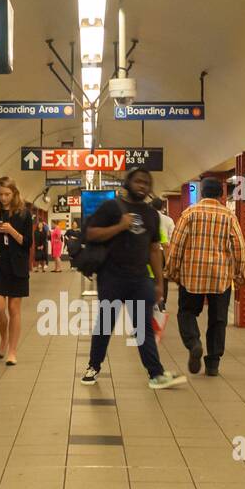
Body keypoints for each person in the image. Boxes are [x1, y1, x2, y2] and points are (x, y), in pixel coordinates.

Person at [80, 167, 186, 390]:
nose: (142, 186)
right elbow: (90, 233)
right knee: (106, 323)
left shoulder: (150, 214)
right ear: (128, 183)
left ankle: (155, 374)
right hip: (111, 277)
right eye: (138, 181)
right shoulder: (111, 207)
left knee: (143, 327)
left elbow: (154, 249)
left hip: (139, 279)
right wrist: (120, 226)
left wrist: (159, 281)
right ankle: (93, 366)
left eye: (146, 183)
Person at [166, 176, 245, 377]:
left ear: (202, 193)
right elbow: (239, 247)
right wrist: (241, 275)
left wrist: (172, 271)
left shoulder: (189, 214)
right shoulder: (229, 216)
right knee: (218, 319)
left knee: (186, 312)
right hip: (220, 276)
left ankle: (194, 343)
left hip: (192, 274)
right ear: (222, 194)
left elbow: (177, 245)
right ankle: (213, 363)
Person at [0, 176, 33, 366]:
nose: (4, 198)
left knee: (14, 309)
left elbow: (27, 243)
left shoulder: (24, 214)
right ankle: (3, 337)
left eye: (7, 194)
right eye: (0, 194)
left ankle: (12, 350)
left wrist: (12, 231)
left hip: (17, 266)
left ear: (14, 194)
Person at [153, 197, 176, 310]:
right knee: (164, 277)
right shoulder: (168, 220)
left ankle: (151, 300)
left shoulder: (146, 218)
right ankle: (163, 302)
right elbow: (172, 239)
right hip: (163, 253)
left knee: (150, 276)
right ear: (162, 207)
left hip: (150, 252)